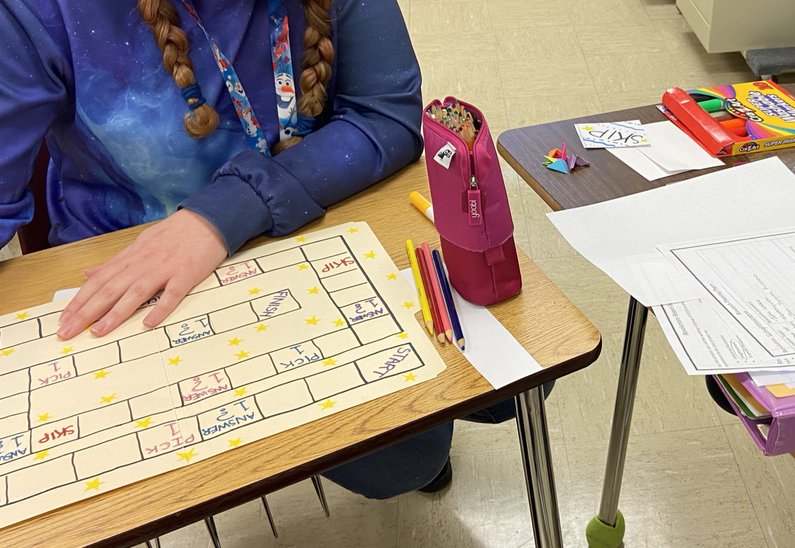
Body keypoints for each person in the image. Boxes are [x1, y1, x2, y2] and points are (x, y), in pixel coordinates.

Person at [0, 0, 503, 499]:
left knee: (483, 392)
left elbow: (386, 116)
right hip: (134, 281)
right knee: (407, 457)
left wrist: (220, 214)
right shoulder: (35, 13)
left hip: (298, 226)